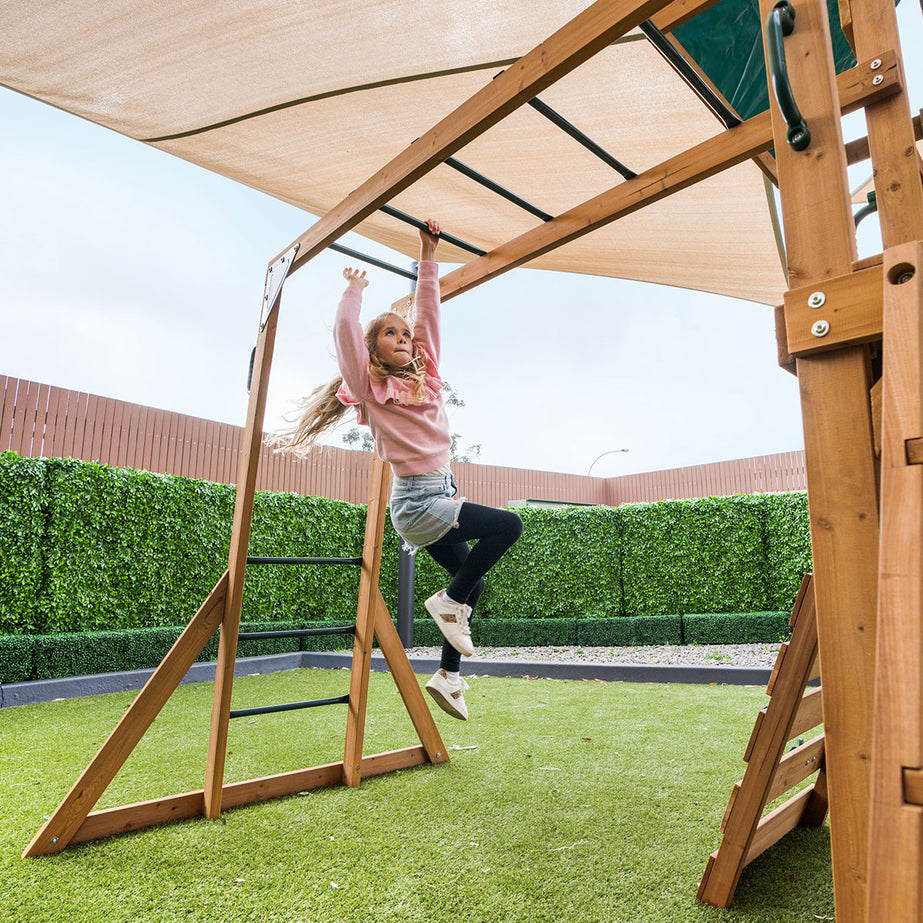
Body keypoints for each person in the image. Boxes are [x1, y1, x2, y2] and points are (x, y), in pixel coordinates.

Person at [271, 219, 522, 720]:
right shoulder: (369, 387)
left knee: (474, 583)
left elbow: (429, 314)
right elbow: (346, 335)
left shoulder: (426, 374)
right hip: (418, 501)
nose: (404, 338)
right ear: (374, 350)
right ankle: (448, 605)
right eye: (391, 333)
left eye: (406, 333)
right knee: (509, 526)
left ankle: (449, 676)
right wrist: (354, 292)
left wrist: (429, 255)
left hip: (437, 496)